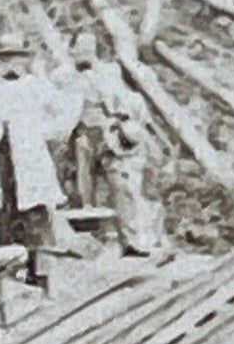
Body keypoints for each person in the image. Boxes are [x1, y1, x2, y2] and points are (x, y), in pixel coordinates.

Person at [0, 34, 84, 274]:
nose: (11, 63)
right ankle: (9, 273)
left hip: (29, 157)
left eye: (16, 58)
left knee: (35, 214)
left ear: (23, 60)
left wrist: (43, 133)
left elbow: (64, 114)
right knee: (2, 213)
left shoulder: (35, 85)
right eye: (6, 58)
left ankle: (41, 271)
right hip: (0, 158)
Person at [67, 33, 164, 256]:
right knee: (84, 187)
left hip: (109, 135)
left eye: (88, 47)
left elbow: (119, 102)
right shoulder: (67, 77)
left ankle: (131, 238)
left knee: (121, 185)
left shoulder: (109, 72)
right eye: (80, 47)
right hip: (81, 133)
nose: (84, 52)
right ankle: (92, 239)